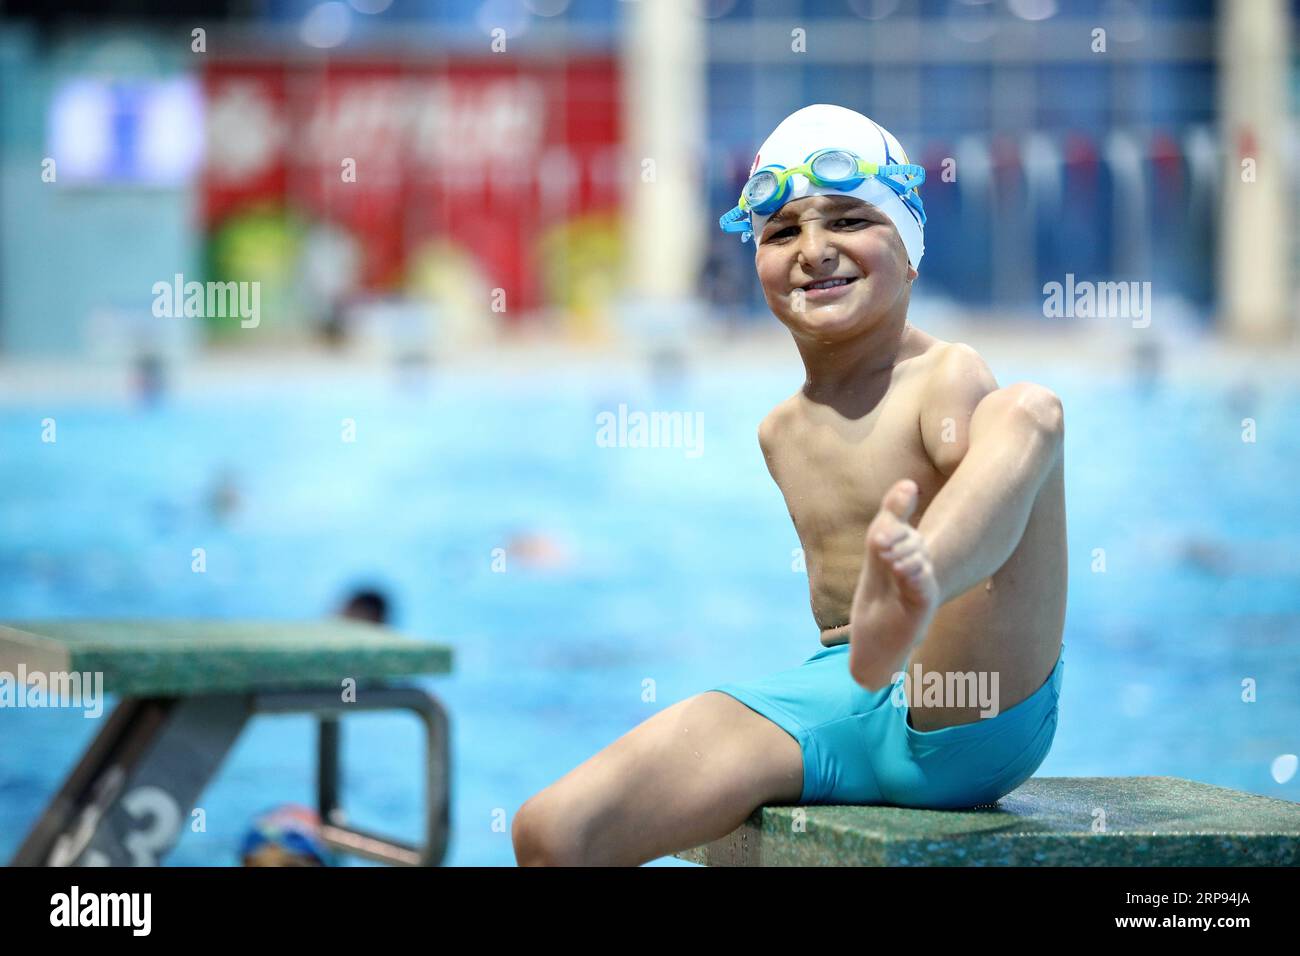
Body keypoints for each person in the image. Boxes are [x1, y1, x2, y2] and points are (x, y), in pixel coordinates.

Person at [512, 104, 1067, 866]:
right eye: (781, 232)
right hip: (840, 697)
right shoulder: (780, 432)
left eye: (847, 221)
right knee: (552, 833)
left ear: (909, 251)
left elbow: (1004, 511)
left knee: (1030, 411)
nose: (814, 250)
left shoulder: (947, 377)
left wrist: (913, 581)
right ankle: (891, 610)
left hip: (969, 698)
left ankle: (915, 583)